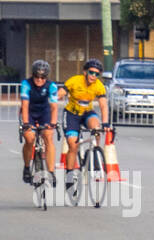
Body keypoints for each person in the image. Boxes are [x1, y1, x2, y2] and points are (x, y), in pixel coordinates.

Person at [59, 58, 110, 193]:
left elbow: (103, 105)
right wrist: (53, 97)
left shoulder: (99, 85)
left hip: (87, 113)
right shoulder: (74, 81)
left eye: (96, 74)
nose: (93, 76)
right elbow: (60, 94)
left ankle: (95, 153)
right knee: (73, 145)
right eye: (91, 72)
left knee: (97, 128)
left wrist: (105, 123)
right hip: (71, 114)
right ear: (85, 72)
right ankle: (69, 178)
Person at [19, 59, 60, 186]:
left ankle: (51, 172)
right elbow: (24, 106)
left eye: (43, 77)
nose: (39, 80)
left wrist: (52, 123)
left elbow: (54, 107)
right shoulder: (26, 84)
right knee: (30, 138)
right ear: (33, 75)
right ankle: (27, 167)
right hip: (29, 112)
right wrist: (26, 124)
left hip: (44, 112)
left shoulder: (51, 86)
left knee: (48, 136)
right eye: (37, 76)